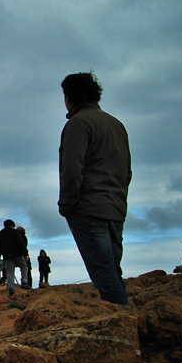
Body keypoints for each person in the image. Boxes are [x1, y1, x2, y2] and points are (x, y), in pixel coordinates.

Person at [59, 72, 131, 306]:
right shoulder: (116, 124)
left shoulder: (78, 124)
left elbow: (71, 168)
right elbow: (126, 170)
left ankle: (123, 326)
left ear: (69, 97)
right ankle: (126, 323)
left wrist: (68, 205)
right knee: (112, 270)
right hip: (116, 208)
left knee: (103, 274)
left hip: (89, 209)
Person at [0, 219, 28, 296]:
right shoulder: (15, 232)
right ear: (12, 225)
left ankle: (11, 287)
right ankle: (24, 282)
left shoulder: (0, 233)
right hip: (17, 253)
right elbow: (21, 243)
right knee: (24, 267)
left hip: (6, 255)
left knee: (10, 271)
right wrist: (25, 253)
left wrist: (3, 253)